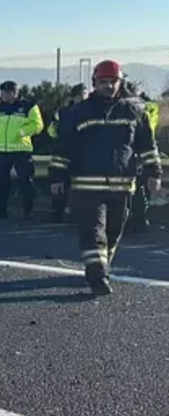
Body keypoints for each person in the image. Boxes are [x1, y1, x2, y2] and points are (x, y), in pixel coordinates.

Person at [49, 60, 161, 295]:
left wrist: (154, 173)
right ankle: (98, 275)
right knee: (93, 231)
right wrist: (57, 176)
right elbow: (64, 148)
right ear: (94, 83)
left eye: (113, 82)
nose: (109, 86)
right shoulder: (78, 113)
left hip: (122, 186)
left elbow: (147, 146)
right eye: (104, 82)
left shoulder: (134, 111)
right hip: (86, 186)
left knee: (113, 232)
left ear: (120, 82)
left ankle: (100, 267)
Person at [0, 81, 44, 219]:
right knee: (1, 182)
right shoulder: (0, 108)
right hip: (2, 151)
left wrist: (22, 132)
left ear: (13, 93)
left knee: (26, 182)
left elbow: (38, 125)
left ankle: (28, 212)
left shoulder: (28, 106)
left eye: (5, 93)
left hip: (21, 150)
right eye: (1, 93)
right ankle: (1, 211)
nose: (2, 96)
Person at [46, 83, 88, 222]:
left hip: (84, 153)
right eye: (81, 95)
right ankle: (57, 212)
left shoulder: (91, 111)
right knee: (61, 183)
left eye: (85, 95)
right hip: (65, 152)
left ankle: (73, 213)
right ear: (74, 97)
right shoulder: (63, 113)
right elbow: (51, 132)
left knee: (80, 186)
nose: (83, 98)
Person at [129, 91, 161, 233]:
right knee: (139, 189)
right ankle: (140, 219)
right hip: (140, 153)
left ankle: (138, 219)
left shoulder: (136, 109)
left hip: (136, 154)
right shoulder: (147, 108)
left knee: (138, 189)